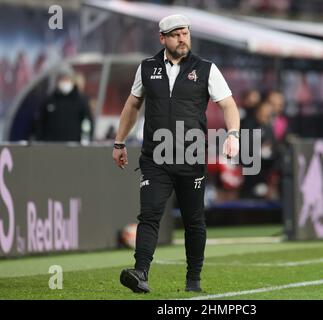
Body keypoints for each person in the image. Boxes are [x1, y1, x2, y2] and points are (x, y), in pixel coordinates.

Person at [112, 14, 240, 293]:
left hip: (191, 157)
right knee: (149, 215)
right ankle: (141, 272)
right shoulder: (147, 68)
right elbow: (132, 105)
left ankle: (193, 280)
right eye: (175, 34)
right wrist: (119, 142)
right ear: (163, 38)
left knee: (195, 221)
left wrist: (233, 135)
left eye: (185, 33)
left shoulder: (206, 68)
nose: (182, 39)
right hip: (155, 158)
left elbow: (228, 105)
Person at [35, 65, 94, 142]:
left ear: (72, 80)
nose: (64, 82)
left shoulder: (80, 101)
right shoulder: (49, 101)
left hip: (73, 147)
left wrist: (85, 140)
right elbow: (39, 124)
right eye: (62, 79)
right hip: (51, 147)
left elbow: (87, 122)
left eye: (67, 79)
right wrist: (40, 140)